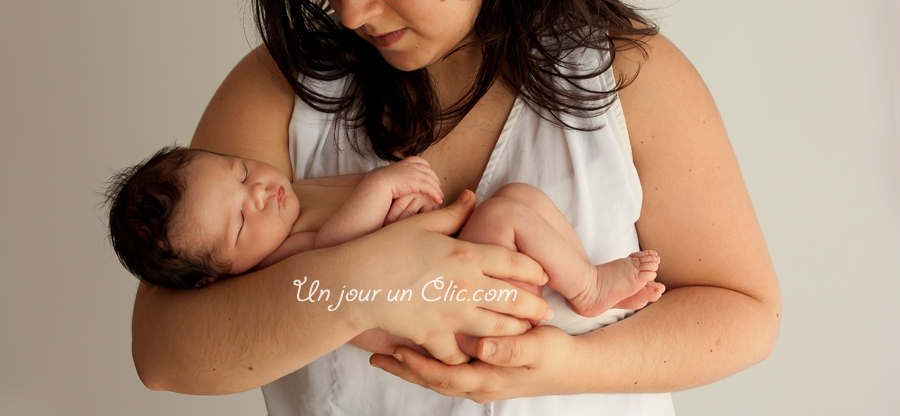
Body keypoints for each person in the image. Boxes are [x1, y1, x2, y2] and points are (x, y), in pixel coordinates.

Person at [130, 0, 781, 413]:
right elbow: (165, 351)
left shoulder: (629, 74)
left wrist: (570, 364)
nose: (351, 12)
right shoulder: (276, 88)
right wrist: (364, 284)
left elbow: (745, 315)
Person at [107, 147, 663, 353]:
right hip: (459, 323)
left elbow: (378, 236)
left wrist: (402, 208)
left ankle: (578, 280)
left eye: (241, 171)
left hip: (459, 284)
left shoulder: (290, 204)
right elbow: (338, 262)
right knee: (507, 214)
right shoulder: (275, 266)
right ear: (215, 276)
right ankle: (588, 288)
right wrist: (380, 189)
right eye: (237, 221)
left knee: (517, 199)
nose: (257, 193)